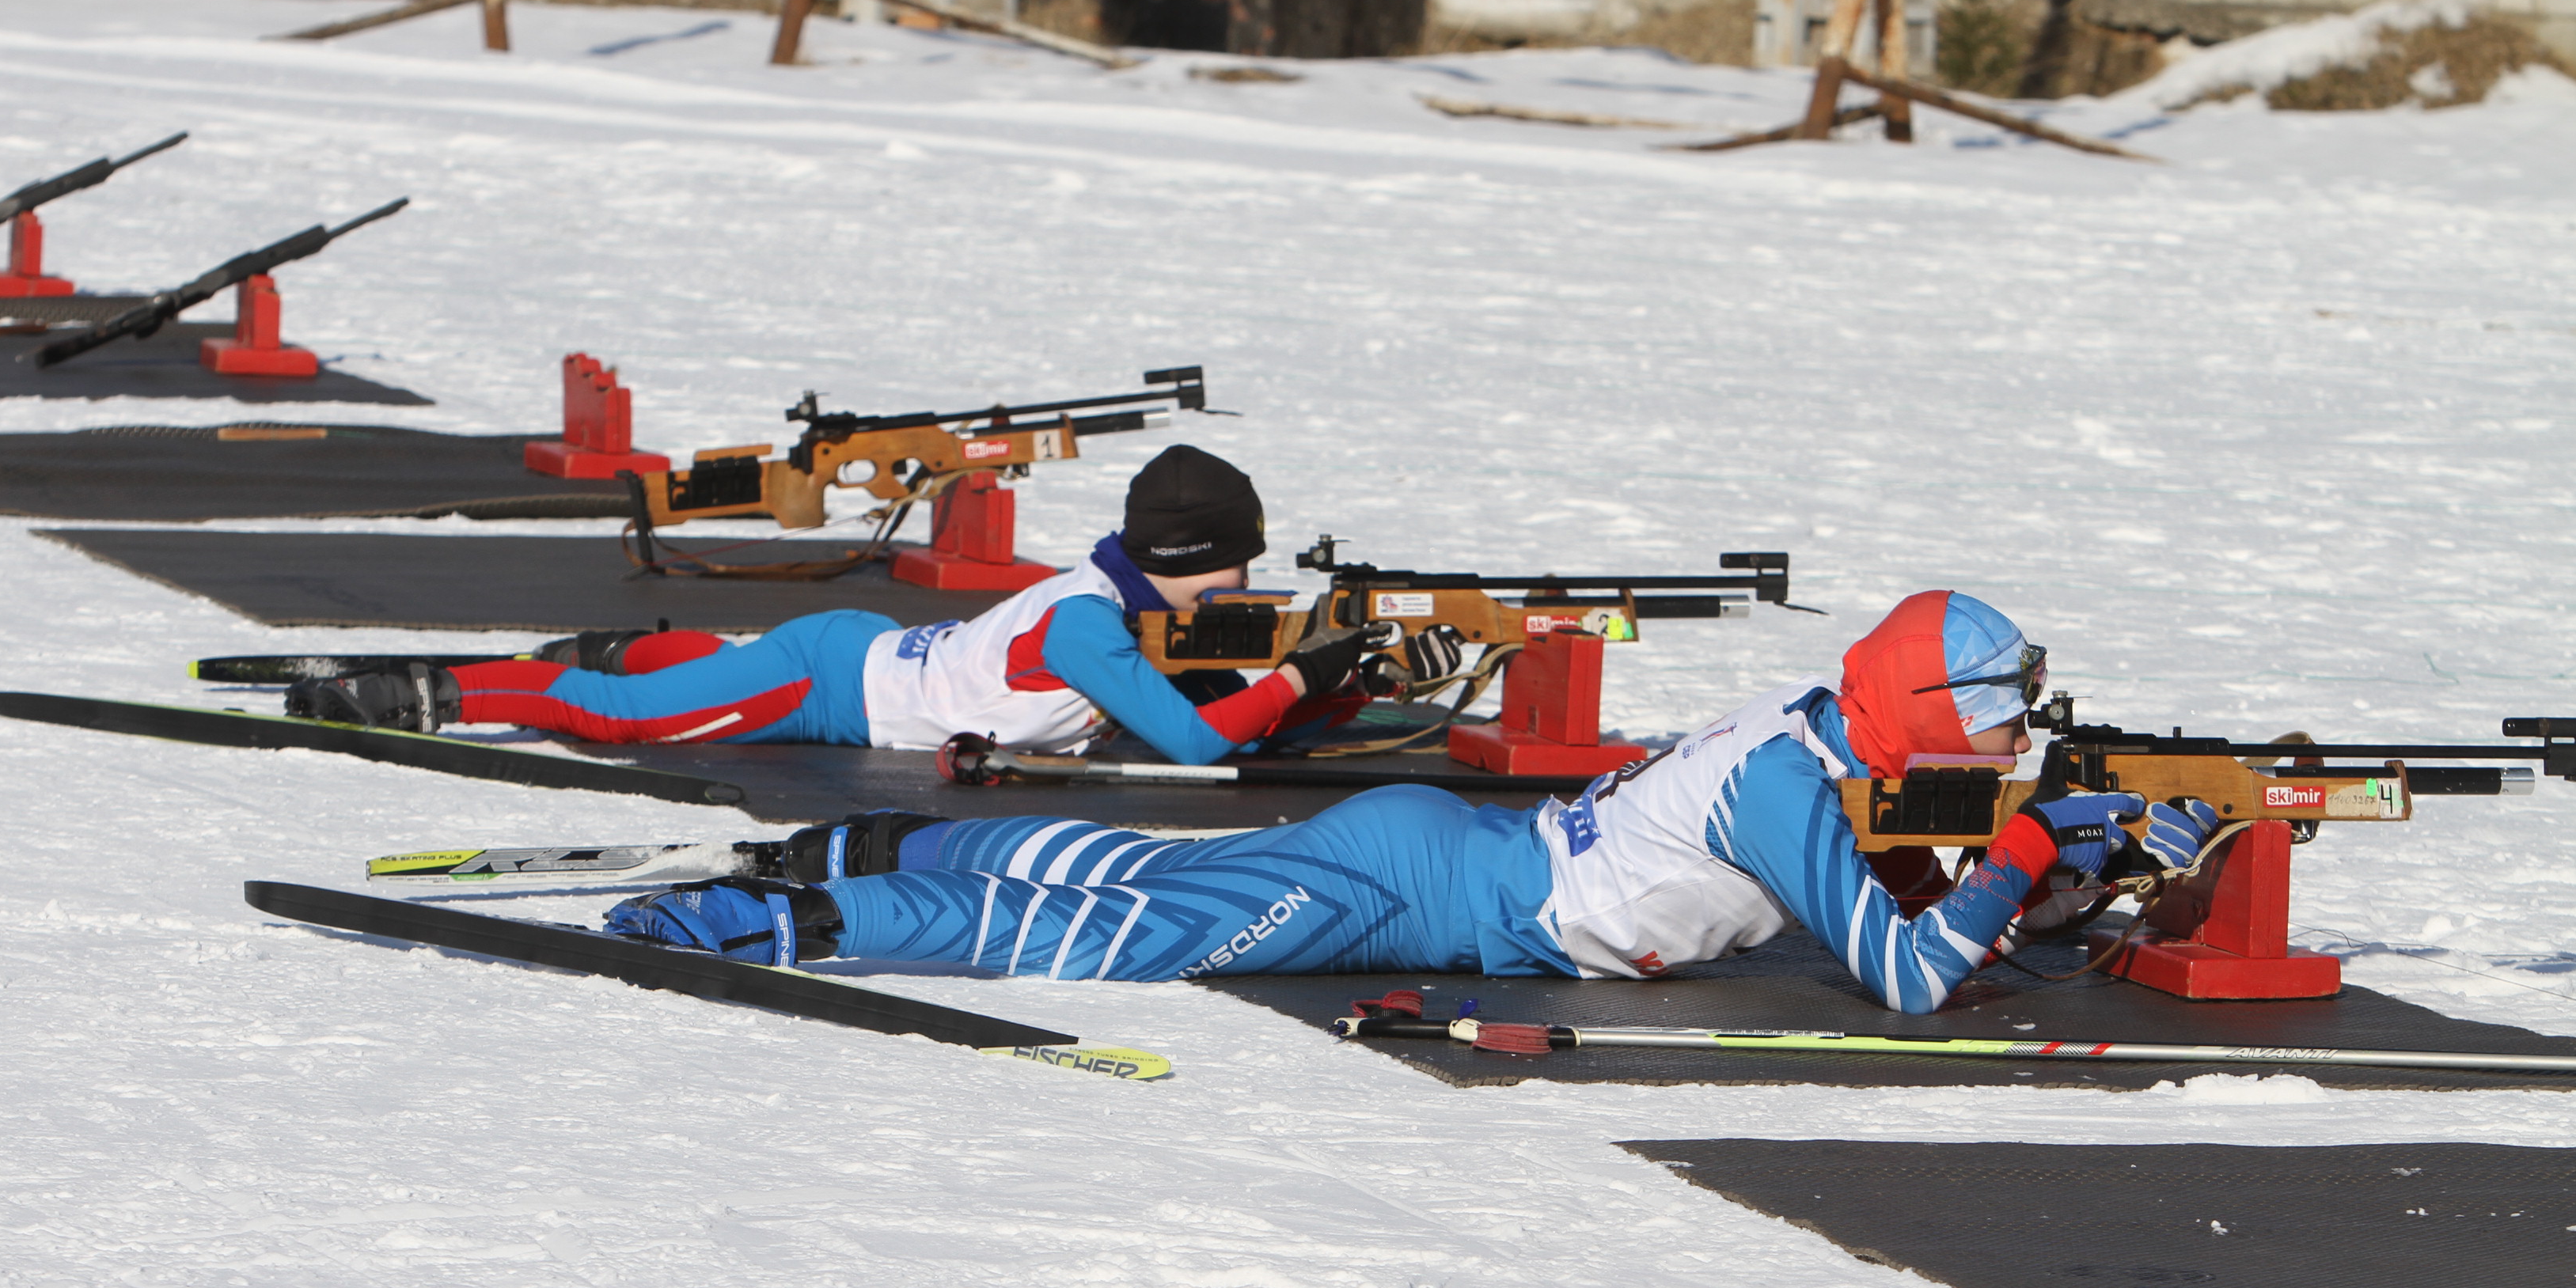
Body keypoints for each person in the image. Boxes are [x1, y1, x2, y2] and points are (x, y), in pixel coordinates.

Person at [602, 590, 2226, 1013]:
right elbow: (1914, 971)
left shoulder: (1832, 740)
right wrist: (2036, 842)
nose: (2010, 743)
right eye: (1994, 720)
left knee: (1150, 872)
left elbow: (1942, 902)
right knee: (1138, 934)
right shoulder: (1796, 784)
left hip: (1451, 862)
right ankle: (796, 916)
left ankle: (882, 839)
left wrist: (2087, 873)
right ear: (1927, 713)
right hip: (1436, 894)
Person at [284, 446, 1394, 767]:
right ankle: (427, 693)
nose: (1243, 590)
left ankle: (634, 649)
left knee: (693, 681)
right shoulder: (1090, 627)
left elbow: (1246, 727)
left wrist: (1342, 687)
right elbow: (1198, 746)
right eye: (1233, 570)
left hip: (856, 657)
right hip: (827, 685)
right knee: (619, 723)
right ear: (1189, 560)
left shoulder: (1120, 606)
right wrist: (1301, 673)